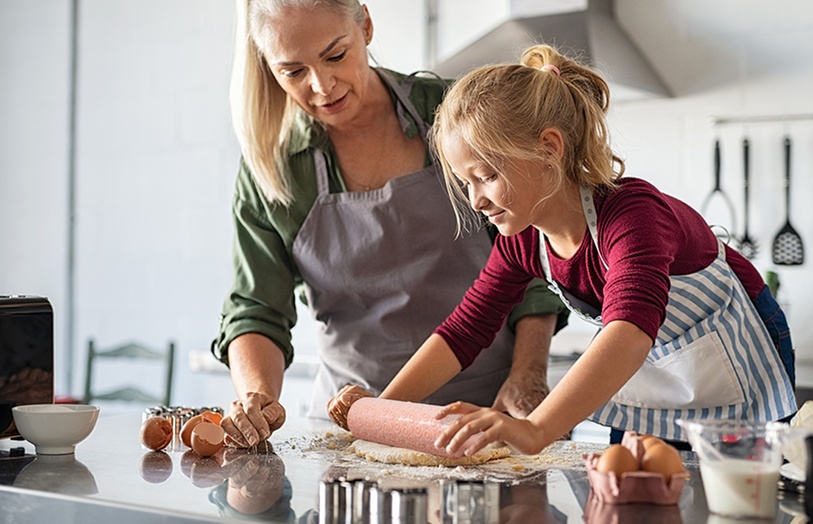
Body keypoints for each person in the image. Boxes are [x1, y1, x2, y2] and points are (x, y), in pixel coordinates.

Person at [328, 44, 797, 457]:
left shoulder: (632, 215)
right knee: (630, 488)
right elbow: (465, 330)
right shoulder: (524, 242)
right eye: (465, 182)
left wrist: (535, 429)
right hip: (652, 371)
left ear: (549, 148)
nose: (476, 200)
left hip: (732, 358)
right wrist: (380, 407)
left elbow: (630, 331)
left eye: (487, 175)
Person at [212, 0, 567, 448]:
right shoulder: (273, 168)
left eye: (335, 55)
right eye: (293, 72)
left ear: (366, 24)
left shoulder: (452, 115)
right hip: (354, 428)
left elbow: (533, 254)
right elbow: (256, 309)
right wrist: (257, 399)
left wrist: (527, 374)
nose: (322, 86)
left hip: (488, 418)